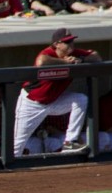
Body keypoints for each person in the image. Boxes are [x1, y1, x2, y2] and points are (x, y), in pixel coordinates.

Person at [13, 28, 102, 157]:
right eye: (67, 42)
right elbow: (41, 61)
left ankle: (70, 142)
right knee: (17, 145)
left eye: (72, 41)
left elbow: (97, 57)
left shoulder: (75, 54)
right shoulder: (48, 52)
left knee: (80, 99)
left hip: (54, 101)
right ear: (56, 44)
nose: (71, 44)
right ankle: (7, 170)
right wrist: (65, 62)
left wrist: (81, 60)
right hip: (32, 103)